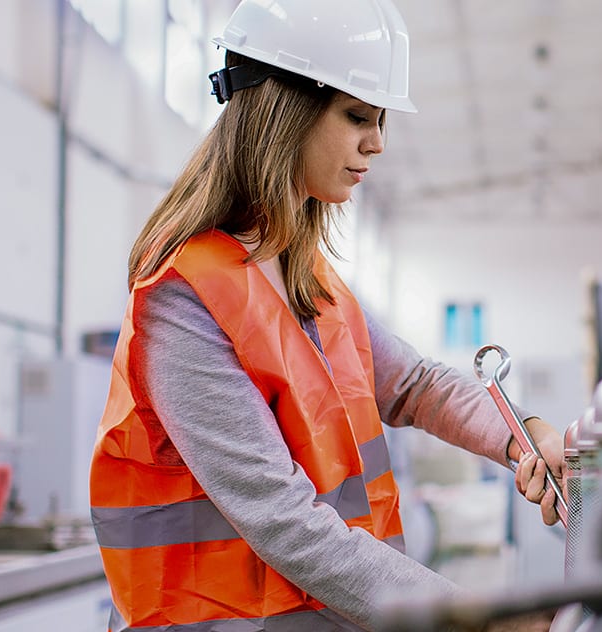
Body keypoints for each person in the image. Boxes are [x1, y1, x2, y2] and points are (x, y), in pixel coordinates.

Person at [88, 1, 563, 630]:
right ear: (285, 109)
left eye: (382, 119)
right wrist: (468, 616)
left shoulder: (311, 279)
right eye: (357, 116)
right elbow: (283, 520)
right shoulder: (183, 298)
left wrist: (526, 436)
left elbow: (418, 386)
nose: (378, 142)